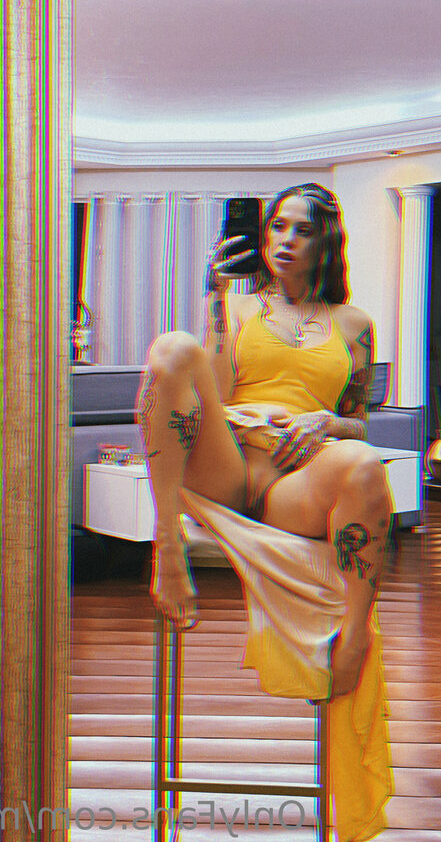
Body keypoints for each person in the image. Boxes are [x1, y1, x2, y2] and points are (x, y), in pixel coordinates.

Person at [137, 183, 392, 700]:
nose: (287, 239)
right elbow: (216, 393)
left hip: (293, 487)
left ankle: (356, 635)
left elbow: (359, 422)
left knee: (364, 462)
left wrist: (325, 421)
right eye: (278, 226)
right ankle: (168, 546)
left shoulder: (355, 324)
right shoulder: (235, 308)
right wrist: (215, 300)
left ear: (327, 242)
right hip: (227, 467)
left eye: (304, 230)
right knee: (172, 347)